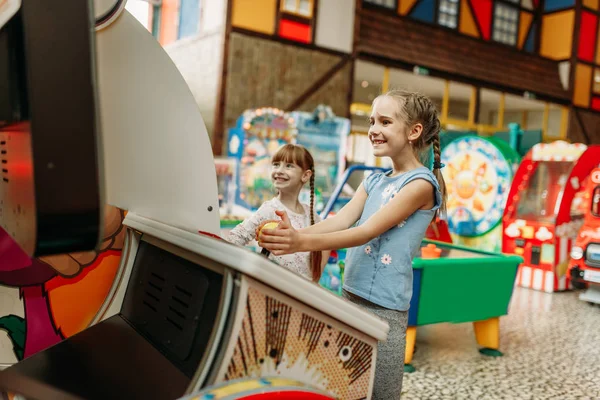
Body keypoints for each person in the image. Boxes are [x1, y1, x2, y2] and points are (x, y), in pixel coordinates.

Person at [258, 90, 447, 399]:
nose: (374, 129)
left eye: (385, 121)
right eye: (372, 121)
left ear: (414, 131)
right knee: (344, 385)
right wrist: (298, 231)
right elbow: (341, 220)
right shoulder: (374, 180)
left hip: (385, 308)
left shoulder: (421, 184)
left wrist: (299, 242)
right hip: (350, 295)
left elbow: (366, 231)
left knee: (380, 392)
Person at [226, 143, 328, 282]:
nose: (279, 170)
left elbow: (324, 246)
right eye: (276, 164)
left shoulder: (311, 215)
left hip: (301, 291)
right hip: (272, 289)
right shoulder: (270, 209)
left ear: (305, 175)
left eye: (289, 166)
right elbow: (235, 238)